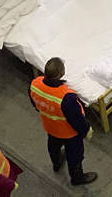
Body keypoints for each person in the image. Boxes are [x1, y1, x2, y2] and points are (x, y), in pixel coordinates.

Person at [29, 58, 97, 186]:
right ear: (61, 74)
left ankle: (56, 163)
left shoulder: (35, 84)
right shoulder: (66, 97)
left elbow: (35, 103)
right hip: (69, 133)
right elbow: (76, 119)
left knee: (53, 146)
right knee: (75, 155)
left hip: (50, 127)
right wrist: (86, 130)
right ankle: (77, 177)